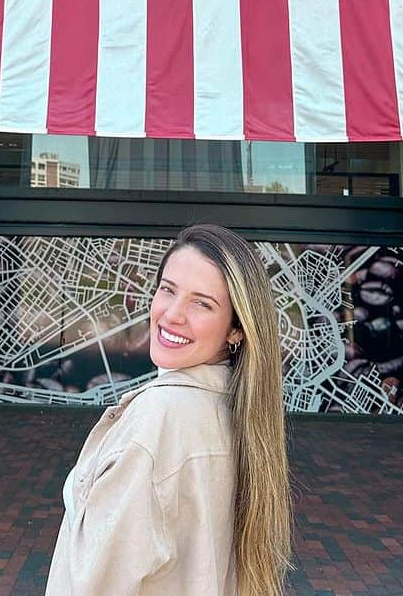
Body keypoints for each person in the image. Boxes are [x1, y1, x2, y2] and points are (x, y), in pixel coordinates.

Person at [45, 223, 291, 596]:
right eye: (168, 290)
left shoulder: (158, 420)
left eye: (201, 303)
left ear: (235, 330)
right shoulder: (238, 413)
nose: (172, 314)